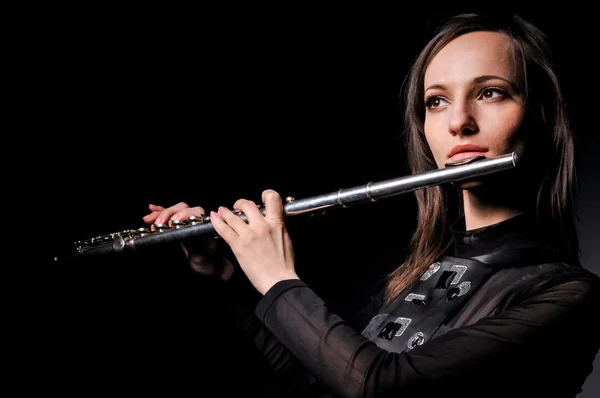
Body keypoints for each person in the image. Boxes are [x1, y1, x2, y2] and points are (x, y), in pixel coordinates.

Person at [143, 13, 600, 397]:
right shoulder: (423, 273)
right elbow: (318, 375)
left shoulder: (567, 295)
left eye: (490, 92)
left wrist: (277, 275)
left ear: (539, 118)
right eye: (436, 101)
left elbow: (376, 386)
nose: (459, 122)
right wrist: (233, 274)